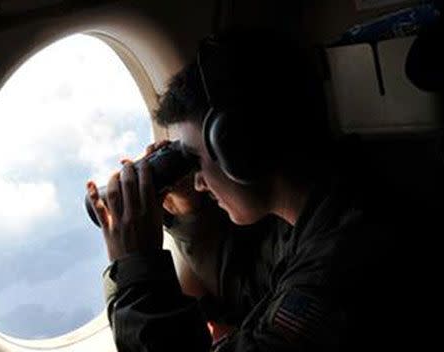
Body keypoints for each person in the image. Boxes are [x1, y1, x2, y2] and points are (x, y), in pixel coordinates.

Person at [85, 28, 404, 351]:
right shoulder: (314, 216)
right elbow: (251, 295)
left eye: (196, 159)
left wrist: (137, 270)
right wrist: (191, 218)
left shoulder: (344, 259)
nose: (196, 181)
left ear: (241, 147)